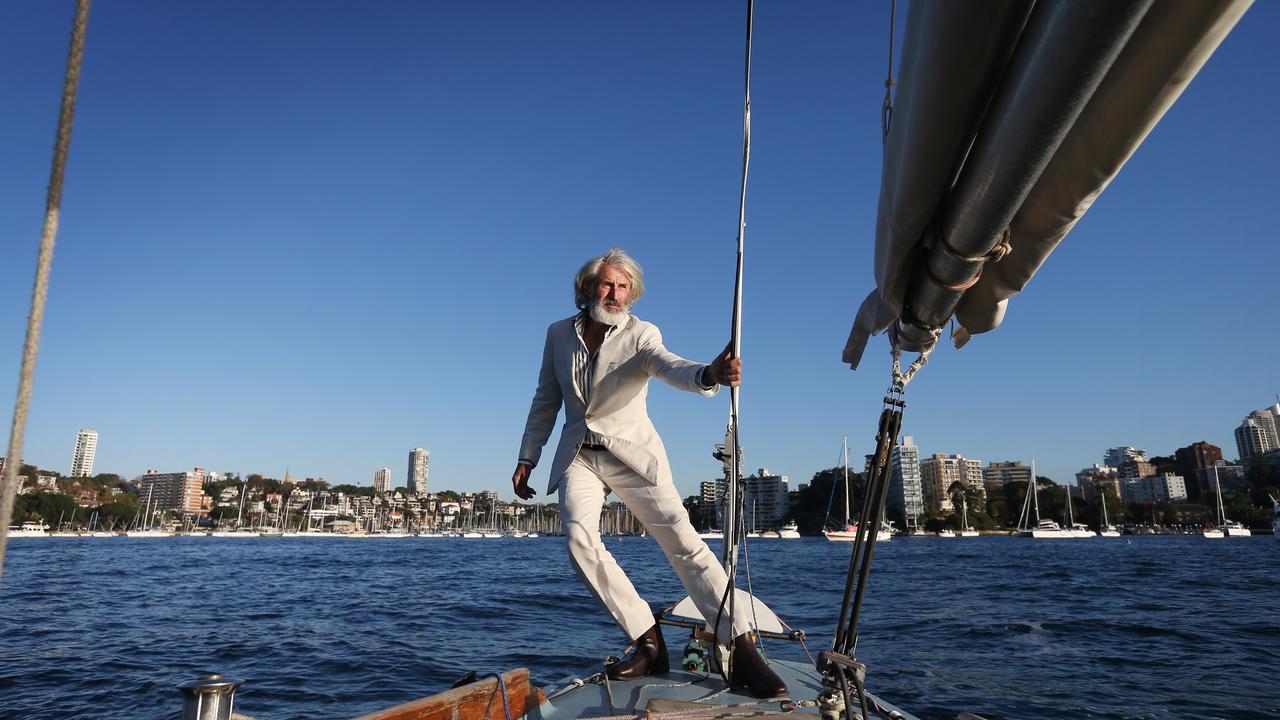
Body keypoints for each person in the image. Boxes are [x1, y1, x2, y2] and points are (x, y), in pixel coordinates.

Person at [511, 247, 786, 698]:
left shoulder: (641, 333)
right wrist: (528, 457)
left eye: (622, 287)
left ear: (632, 294)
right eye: (606, 284)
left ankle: (740, 648)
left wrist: (709, 373)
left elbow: (668, 364)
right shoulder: (558, 333)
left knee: (685, 544)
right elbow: (547, 398)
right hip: (579, 454)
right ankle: (648, 641)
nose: (614, 294)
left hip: (633, 455)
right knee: (580, 540)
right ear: (587, 288)